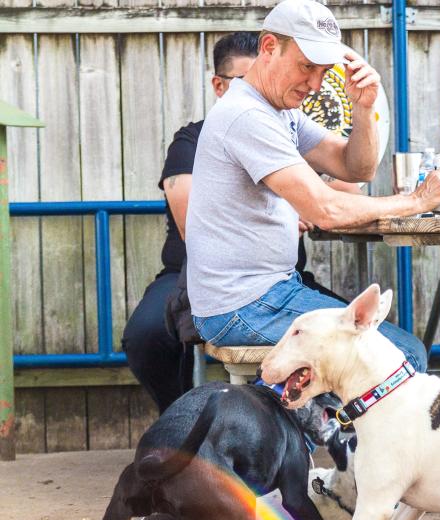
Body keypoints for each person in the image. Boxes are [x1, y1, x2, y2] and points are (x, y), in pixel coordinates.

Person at [185, 0, 440, 373]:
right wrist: (417, 200)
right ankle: (335, 432)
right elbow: (325, 210)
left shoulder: (279, 112)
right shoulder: (247, 116)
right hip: (243, 306)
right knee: (402, 356)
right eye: (306, 67)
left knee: (391, 348)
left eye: (323, 71)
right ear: (268, 48)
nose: (315, 84)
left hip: (264, 295)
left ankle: (321, 429)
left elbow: (354, 168)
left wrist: (363, 108)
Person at [121, 31, 351, 414]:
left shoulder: (285, 128)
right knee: (145, 336)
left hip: (281, 279)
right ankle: (181, 423)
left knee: (360, 332)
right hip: (194, 272)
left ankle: (311, 429)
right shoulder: (192, 140)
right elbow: (190, 220)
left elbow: (349, 183)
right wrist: (284, 209)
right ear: (220, 86)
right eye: (247, 82)